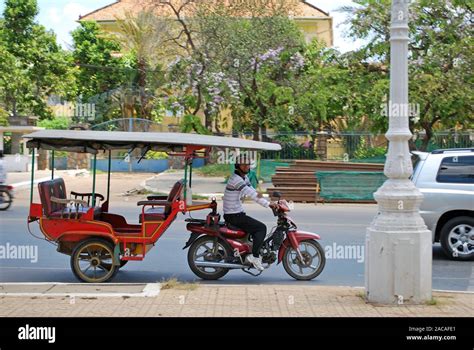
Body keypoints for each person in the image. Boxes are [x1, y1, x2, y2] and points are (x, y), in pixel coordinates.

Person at [223, 154, 276, 271]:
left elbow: (254, 191)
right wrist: (268, 205)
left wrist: (269, 201)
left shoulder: (244, 178)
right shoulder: (236, 180)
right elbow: (251, 194)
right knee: (261, 228)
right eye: (245, 164)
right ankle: (255, 257)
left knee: (254, 227)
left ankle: (250, 251)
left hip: (237, 213)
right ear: (238, 166)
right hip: (233, 215)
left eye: (248, 164)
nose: (248, 166)